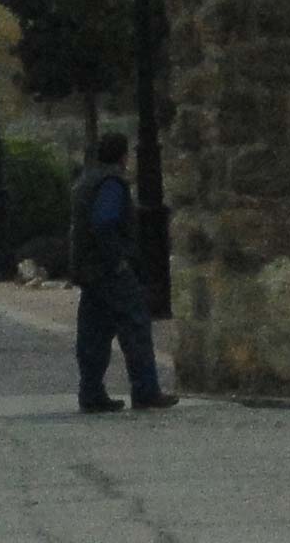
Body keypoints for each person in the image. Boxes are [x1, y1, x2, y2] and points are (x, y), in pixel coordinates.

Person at [70, 131, 172, 413]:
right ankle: (146, 390)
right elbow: (105, 222)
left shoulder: (86, 181)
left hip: (88, 270)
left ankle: (91, 392)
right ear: (124, 156)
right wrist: (119, 259)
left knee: (93, 332)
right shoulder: (112, 183)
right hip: (109, 270)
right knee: (136, 324)